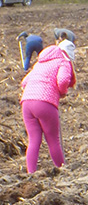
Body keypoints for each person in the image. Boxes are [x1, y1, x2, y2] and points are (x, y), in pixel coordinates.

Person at [20, 40, 76, 173]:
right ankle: (62, 169)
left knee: (34, 140)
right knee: (53, 140)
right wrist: (62, 92)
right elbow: (63, 80)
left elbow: (24, 83)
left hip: (27, 102)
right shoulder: (63, 62)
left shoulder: (40, 63)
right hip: (45, 102)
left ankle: (31, 173)